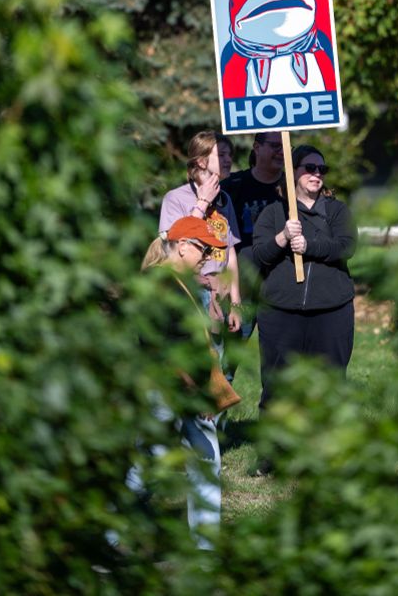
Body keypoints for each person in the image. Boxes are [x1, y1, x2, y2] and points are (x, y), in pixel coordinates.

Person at [140, 215, 239, 549]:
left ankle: (206, 550)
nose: (207, 257)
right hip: (168, 391)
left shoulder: (182, 284)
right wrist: (196, 393)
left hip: (187, 392)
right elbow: (162, 346)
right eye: (203, 249)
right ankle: (111, 538)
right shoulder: (161, 284)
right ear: (182, 246)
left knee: (205, 462)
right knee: (146, 466)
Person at [252, 143, 357, 409]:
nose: (317, 174)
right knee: (277, 387)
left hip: (331, 311)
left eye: (322, 169)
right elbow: (260, 255)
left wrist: (309, 246)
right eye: (309, 168)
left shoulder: (336, 211)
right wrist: (282, 237)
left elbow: (347, 246)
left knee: (330, 387)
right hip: (281, 312)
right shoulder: (274, 212)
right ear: (292, 172)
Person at [159, 131, 242, 337]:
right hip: (190, 293)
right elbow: (174, 248)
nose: (228, 159)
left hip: (219, 294)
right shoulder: (175, 198)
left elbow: (229, 251)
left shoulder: (225, 200)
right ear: (202, 162)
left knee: (218, 364)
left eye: (229, 154)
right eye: (221, 155)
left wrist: (236, 302)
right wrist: (202, 203)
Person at [221, 131, 284, 338]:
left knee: (281, 362)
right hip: (243, 289)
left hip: (283, 289)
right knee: (227, 359)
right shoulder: (232, 186)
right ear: (257, 148)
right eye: (275, 146)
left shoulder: (293, 188)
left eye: (285, 146)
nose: (281, 152)